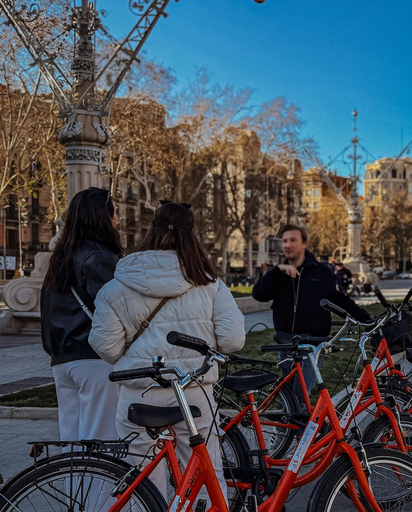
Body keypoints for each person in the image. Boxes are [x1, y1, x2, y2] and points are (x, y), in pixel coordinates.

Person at [89, 201, 246, 501]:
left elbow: (106, 347)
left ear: (152, 229)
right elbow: (233, 340)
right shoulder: (209, 284)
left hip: (139, 390)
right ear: (192, 235)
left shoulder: (117, 285)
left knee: (142, 485)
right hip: (194, 392)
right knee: (204, 478)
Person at [40, 187, 122, 443]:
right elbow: (116, 310)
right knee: (101, 444)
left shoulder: (62, 257)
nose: (118, 218)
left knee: (73, 446)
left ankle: (72, 485)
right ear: (102, 216)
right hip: (94, 359)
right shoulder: (99, 258)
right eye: (115, 211)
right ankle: (100, 486)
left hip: (62, 360)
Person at [252, 224, 371, 398]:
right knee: (289, 395)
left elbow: (339, 299)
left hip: (311, 343)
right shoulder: (278, 273)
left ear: (304, 243)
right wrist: (276, 272)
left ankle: (300, 425)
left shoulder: (321, 271)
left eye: (293, 240)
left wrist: (365, 319)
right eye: (285, 241)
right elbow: (258, 295)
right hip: (285, 341)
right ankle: (289, 424)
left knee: (301, 394)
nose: (287, 245)